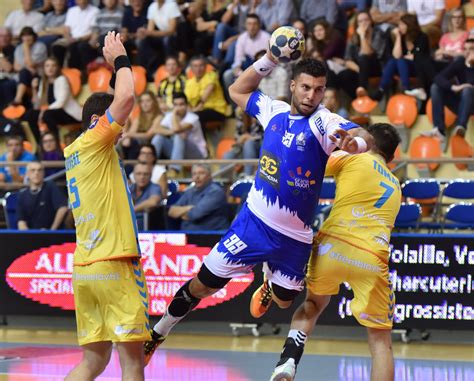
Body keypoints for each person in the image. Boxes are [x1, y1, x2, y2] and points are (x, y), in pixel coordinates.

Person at [143, 47, 373, 365]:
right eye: (306, 87)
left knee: (282, 302)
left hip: (294, 238)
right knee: (202, 286)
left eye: (319, 89)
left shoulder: (324, 122)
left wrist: (355, 144)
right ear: (293, 85)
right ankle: (157, 333)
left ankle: (267, 281)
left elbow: (363, 135)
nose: (312, 95)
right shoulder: (274, 111)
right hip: (253, 224)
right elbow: (237, 89)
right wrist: (270, 59)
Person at [269, 123, 401, 381]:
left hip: (333, 245)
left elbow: (309, 165)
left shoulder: (353, 159)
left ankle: (288, 362)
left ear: (367, 141)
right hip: (371, 256)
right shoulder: (396, 184)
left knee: (313, 304)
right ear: (393, 157)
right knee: (380, 342)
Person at [64, 31, 150, 381]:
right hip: (113, 264)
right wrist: (121, 59)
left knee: (93, 361)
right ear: (100, 122)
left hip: (85, 268)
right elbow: (127, 96)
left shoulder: (74, 152)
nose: (123, 128)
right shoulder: (96, 141)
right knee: (132, 362)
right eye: (117, 123)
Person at [22, 57, 82, 143]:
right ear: (44, 68)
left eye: (53, 66)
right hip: (53, 113)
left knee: (47, 115)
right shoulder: (44, 82)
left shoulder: (62, 80)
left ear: (57, 68)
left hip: (69, 114)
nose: (50, 68)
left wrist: (43, 112)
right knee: (30, 114)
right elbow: (37, 105)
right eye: (47, 66)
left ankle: (55, 144)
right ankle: (40, 144)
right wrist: (34, 89)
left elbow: (61, 102)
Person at [426, 38, 474, 142]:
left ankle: (461, 126)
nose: (468, 52)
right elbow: (438, 78)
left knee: (467, 90)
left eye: (471, 49)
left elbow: (470, 84)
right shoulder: (461, 61)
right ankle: (439, 129)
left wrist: (470, 65)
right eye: (465, 49)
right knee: (436, 87)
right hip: (462, 104)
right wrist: (453, 87)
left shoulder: (467, 63)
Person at [151, 92, 208, 175]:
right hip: (177, 152)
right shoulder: (169, 116)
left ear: (187, 105)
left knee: (179, 136)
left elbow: (177, 129)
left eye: (181, 104)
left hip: (196, 154)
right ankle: (149, 164)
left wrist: (174, 114)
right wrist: (171, 132)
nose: (178, 108)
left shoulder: (193, 117)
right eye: (176, 105)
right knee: (159, 137)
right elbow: (156, 129)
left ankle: (174, 169)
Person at [168, 163, 229, 230]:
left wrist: (181, 213)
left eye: (201, 173)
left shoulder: (216, 192)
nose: (197, 177)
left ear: (209, 176)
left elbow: (195, 215)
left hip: (211, 236)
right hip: (187, 235)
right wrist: (189, 208)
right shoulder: (189, 191)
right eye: (194, 174)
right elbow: (171, 211)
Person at [16, 161, 68, 230]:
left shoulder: (51, 186)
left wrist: (51, 231)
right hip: (31, 236)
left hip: (53, 235)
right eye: (33, 170)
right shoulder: (22, 194)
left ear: (43, 173)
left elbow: (63, 208)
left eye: (39, 170)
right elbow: (21, 221)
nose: (36, 173)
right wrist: (28, 236)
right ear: (27, 174)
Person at [130, 162, 162, 231]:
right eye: (139, 174)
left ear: (150, 175)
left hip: (149, 230)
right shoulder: (130, 188)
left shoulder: (155, 187)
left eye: (145, 174)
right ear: (133, 175)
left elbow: (153, 202)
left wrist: (132, 210)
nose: (142, 177)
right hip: (130, 229)